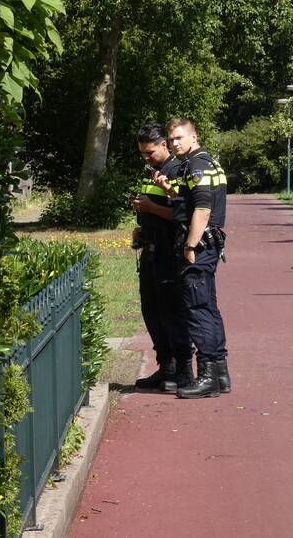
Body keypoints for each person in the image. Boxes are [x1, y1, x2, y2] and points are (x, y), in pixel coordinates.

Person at [154, 117, 230, 399]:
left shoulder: (196, 166)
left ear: (193, 136)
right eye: (171, 139)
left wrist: (189, 246)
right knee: (208, 307)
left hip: (199, 247)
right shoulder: (204, 162)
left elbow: (201, 210)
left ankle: (208, 375)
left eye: (178, 138)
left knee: (198, 309)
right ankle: (220, 373)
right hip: (208, 246)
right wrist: (169, 190)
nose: (174, 143)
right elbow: (189, 203)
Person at [129, 124, 194, 392]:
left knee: (171, 312)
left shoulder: (176, 171)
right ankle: (165, 366)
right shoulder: (153, 171)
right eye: (143, 153)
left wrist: (150, 207)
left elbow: (182, 212)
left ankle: (183, 370)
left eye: (150, 152)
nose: (146, 157)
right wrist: (141, 228)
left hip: (169, 252)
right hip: (150, 249)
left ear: (164, 145)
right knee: (151, 311)